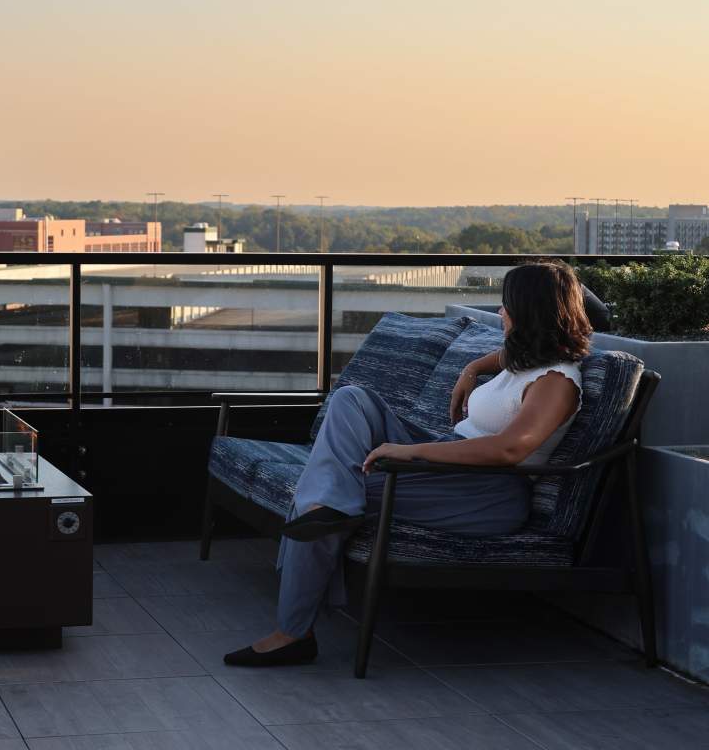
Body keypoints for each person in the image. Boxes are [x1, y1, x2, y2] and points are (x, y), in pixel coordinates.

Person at [224, 260, 591, 667]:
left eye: (507, 306)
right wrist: (470, 369)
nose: (501, 312)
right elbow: (498, 359)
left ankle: (293, 632)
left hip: (487, 490)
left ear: (531, 312)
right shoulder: (526, 357)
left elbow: (507, 450)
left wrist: (410, 451)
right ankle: (325, 509)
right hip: (452, 464)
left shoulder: (557, 382)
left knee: (335, 491)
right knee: (351, 400)